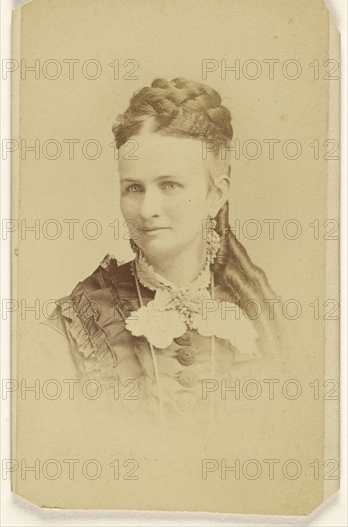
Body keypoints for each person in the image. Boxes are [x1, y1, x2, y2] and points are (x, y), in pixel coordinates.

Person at [39, 77, 281, 416]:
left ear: (216, 195)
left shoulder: (259, 317)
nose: (147, 209)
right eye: (134, 188)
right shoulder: (77, 321)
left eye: (169, 185)